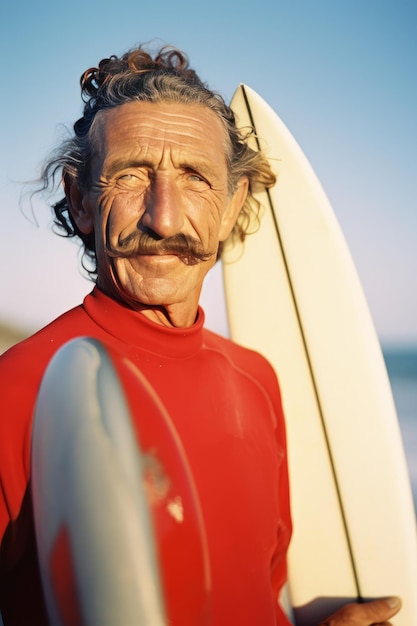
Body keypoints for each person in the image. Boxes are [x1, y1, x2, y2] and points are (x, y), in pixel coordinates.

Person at [0, 45, 401, 625]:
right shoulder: (18, 391)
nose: (164, 219)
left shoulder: (257, 379)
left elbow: (254, 593)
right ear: (81, 199)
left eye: (195, 179)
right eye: (132, 175)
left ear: (234, 203)